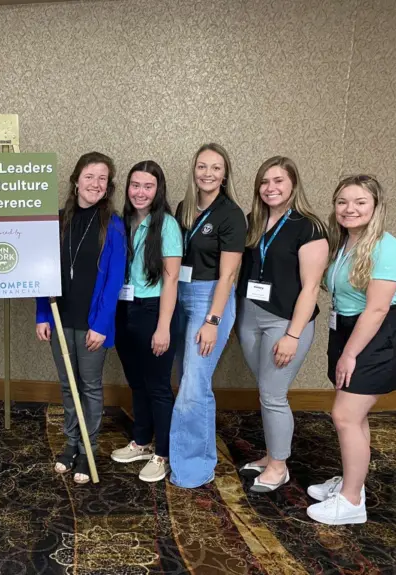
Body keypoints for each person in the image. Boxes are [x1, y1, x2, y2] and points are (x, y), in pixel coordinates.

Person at [306, 174, 396, 525]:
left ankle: (351, 503)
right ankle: (354, 482)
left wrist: (350, 353)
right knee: (354, 416)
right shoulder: (344, 241)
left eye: (360, 202)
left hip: (375, 335)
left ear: (376, 206)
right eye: (343, 202)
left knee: (345, 415)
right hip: (347, 331)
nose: (349, 209)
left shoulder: (387, 247)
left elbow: (378, 309)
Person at [235, 157, 328, 492]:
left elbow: (311, 286)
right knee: (267, 392)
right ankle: (273, 453)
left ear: (293, 185)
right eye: (264, 182)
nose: (270, 188)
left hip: (285, 322)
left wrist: (293, 334)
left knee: (273, 394)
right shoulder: (253, 222)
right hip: (250, 317)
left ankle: (278, 467)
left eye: (278, 181)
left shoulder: (309, 227)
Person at [35, 151, 126, 484]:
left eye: (102, 178)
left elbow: (115, 279)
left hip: (92, 324)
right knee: (67, 384)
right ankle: (71, 444)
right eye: (89, 176)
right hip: (60, 317)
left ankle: (89, 449)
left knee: (88, 386)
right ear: (76, 181)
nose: (95, 184)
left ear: (108, 185)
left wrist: (102, 326)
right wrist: (42, 313)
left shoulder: (112, 225)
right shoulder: (56, 221)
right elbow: (40, 273)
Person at [169, 143, 246, 489]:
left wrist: (213, 321)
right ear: (194, 170)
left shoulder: (231, 214)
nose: (208, 173)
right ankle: (185, 453)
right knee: (185, 377)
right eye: (202, 166)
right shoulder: (185, 207)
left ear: (225, 174)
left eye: (216, 168)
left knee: (193, 385)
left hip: (210, 300)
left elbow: (229, 275)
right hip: (180, 294)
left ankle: (195, 467)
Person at [111, 160, 181, 483]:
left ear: (158, 190)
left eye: (148, 186)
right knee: (136, 381)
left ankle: (162, 454)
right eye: (135, 185)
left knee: (157, 387)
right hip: (124, 311)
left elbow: (171, 281)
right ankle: (141, 441)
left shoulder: (166, 225)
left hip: (154, 311)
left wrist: (164, 326)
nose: (140, 192)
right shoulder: (122, 222)